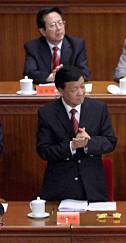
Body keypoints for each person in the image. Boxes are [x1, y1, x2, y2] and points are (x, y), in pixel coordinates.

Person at [36, 66, 117, 201]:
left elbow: (110, 141)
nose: (80, 93)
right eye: (74, 89)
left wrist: (88, 143)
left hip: (93, 186)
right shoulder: (47, 113)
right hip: (59, 187)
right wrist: (71, 146)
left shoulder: (98, 108)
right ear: (61, 90)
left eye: (82, 87)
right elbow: (43, 150)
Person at [23, 7, 90, 84]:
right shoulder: (33, 47)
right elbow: (29, 74)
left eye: (60, 23)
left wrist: (61, 76)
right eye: (52, 25)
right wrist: (51, 77)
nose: (58, 28)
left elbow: (84, 74)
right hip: (45, 93)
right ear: (43, 31)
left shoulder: (77, 44)